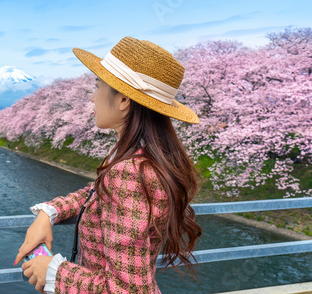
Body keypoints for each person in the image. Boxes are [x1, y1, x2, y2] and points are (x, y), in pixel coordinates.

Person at [14, 36, 203, 293]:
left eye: (98, 86)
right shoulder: (142, 161)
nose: (92, 98)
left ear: (124, 100)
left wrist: (53, 272)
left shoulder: (129, 173)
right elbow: (96, 193)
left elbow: (127, 290)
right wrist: (49, 213)